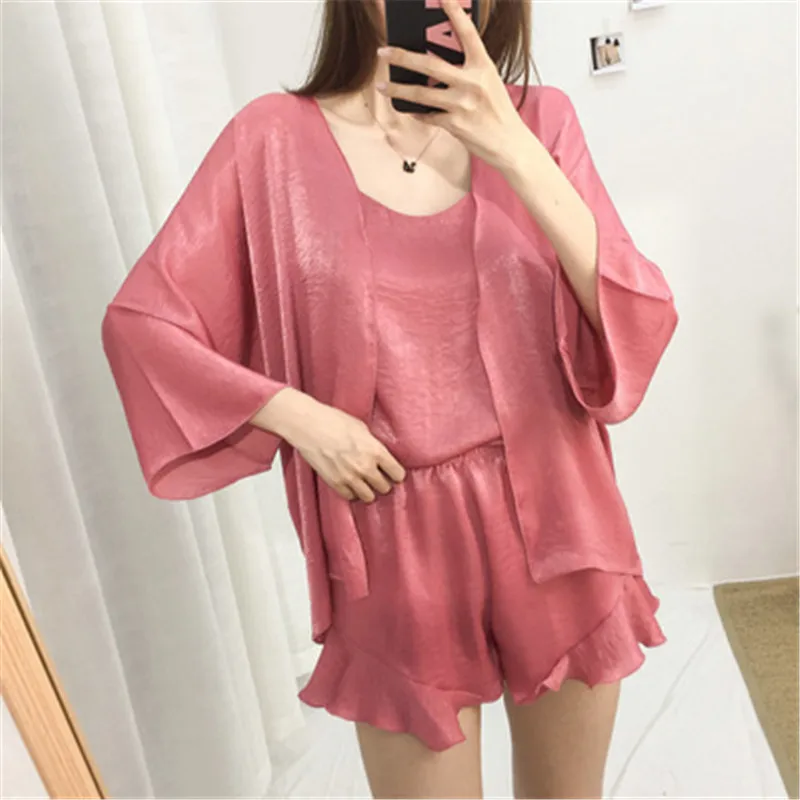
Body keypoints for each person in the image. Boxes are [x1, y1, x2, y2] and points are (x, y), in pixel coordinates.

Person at [101, 0, 678, 797]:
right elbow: (143, 324)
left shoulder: (540, 122)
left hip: (560, 517)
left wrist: (512, 149)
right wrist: (296, 415)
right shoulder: (272, 141)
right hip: (390, 543)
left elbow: (637, 320)